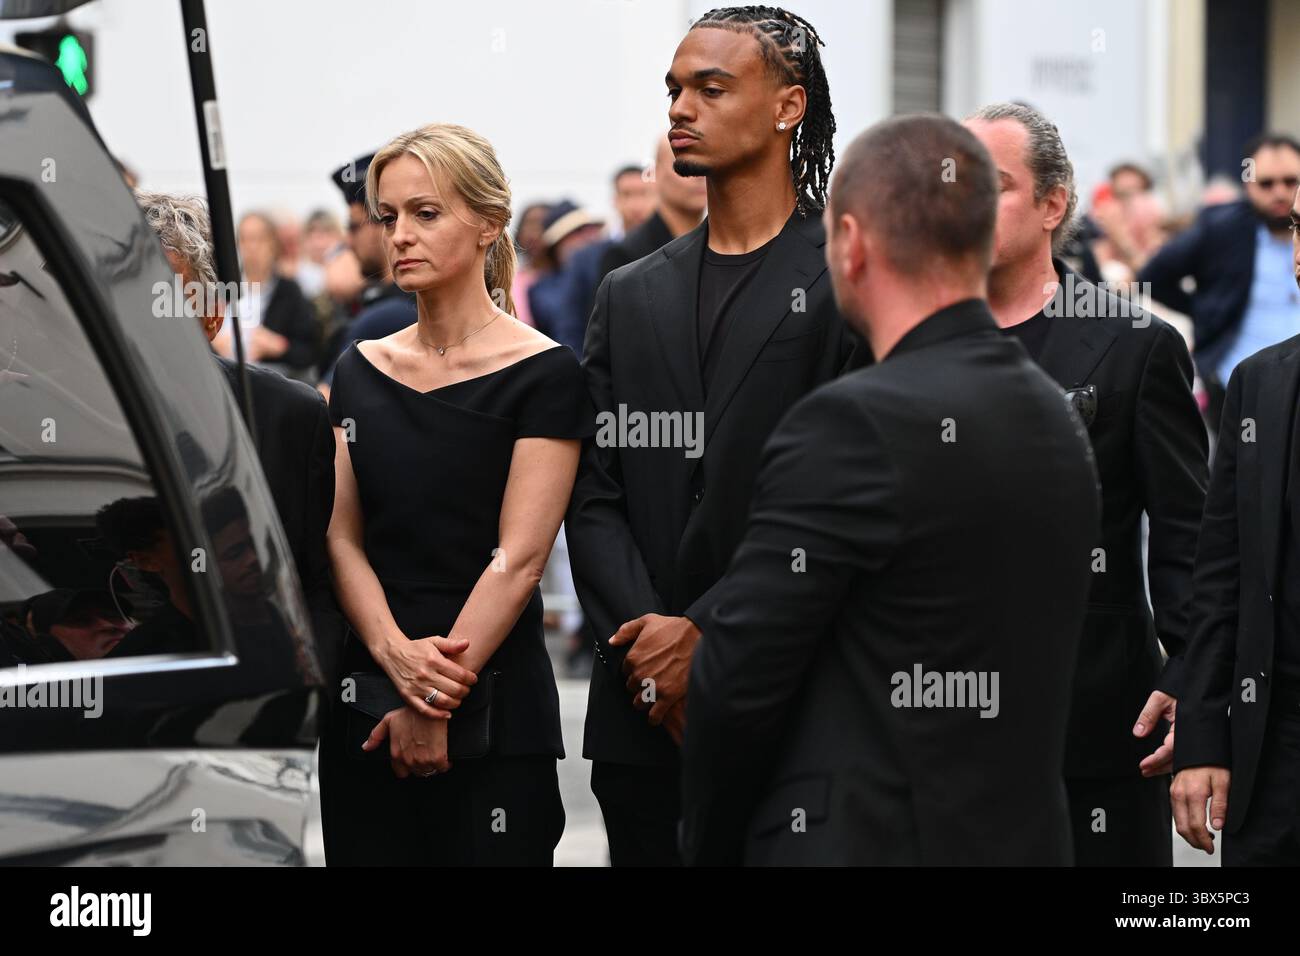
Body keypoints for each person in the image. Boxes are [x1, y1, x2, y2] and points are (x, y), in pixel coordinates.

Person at [681, 114, 1100, 866]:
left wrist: (709, 844)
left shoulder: (849, 423)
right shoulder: (1052, 411)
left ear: (852, 242)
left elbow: (737, 680)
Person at [566, 5, 861, 867]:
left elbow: (846, 501)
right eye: (673, 90)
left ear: (788, 107)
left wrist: (711, 637)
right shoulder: (629, 292)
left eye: (711, 88)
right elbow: (593, 493)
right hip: (640, 719)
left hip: (790, 709)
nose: (680, 108)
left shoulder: (848, 280)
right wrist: (649, 654)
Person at [321, 122, 593, 866]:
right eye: (388, 216)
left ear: (489, 224)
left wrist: (433, 696)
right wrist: (394, 658)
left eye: (426, 213)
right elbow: (340, 536)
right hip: (368, 699)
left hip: (496, 707)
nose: (400, 235)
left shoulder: (545, 372)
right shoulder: (359, 369)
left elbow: (521, 558)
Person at [965, 103, 1208, 866]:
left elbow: (1186, 536)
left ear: (1052, 204)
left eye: (994, 184)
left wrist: (1193, 683)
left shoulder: (1135, 346)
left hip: (1095, 722)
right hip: (937, 724)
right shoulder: (903, 334)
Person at [137, 191, 341, 679]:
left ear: (212, 315)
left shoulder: (286, 415)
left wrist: (306, 693)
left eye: (163, 295)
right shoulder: (64, 417)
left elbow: (318, 584)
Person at [1171, 185, 1300, 865]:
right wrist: (1199, 738)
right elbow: (1220, 574)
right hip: (1274, 752)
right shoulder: (1259, 384)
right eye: (1299, 227)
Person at [1139, 133, 1300, 425]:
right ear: (1247, 183)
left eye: (1291, 182)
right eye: (1266, 183)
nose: (1279, 193)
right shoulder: (1221, 227)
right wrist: (1205, 311)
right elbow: (1153, 275)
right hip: (1238, 384)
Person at [318, 154, 419, 387]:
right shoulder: (379, 303)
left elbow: (325, 400)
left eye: (354, 227)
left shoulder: (386, 317)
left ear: (382, 223)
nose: (348, 241)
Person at [214, 211, 321, 377]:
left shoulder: (289, 292)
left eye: (258, 239)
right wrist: (213, 342)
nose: (252, 247)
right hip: (223, 375)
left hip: (268, 379)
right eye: (245, 240)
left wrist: (279, 346)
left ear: (273, 244)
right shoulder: (222, 286)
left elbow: (309, 352)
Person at [596, 133, 708, 286]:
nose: (699, 175)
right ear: (656, 173)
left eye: (706, 163)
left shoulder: (724, 247)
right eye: (684, 163)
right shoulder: (627, 256)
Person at [611, 163, 657, 239]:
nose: (636, 204)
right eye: (627, 194)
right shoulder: (602, 245)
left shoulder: (671, 240)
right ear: (615, 200)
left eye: (643, 193)